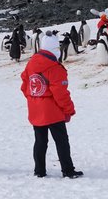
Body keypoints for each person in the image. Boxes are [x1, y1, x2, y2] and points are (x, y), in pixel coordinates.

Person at [20, 32, 83, 178]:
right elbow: (60, 93)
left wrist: (33, 98)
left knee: (40, 141)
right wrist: (69, 110)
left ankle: (39, 170)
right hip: (52, 111)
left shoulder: (31, 63)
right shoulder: (55, 68)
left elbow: (24, 84)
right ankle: (68, 170)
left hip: (35, 109)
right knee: (61, 141)